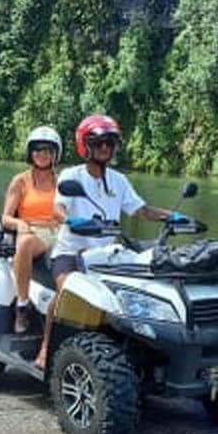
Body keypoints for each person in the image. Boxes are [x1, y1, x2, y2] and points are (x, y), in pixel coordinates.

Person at [34, 114, 173, 368]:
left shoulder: (119, 181)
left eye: (110, 143)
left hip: (107, 257)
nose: (105, 148)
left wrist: (172, 216)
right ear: (85, 145)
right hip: (70, 254)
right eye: (99, 143)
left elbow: (141, 210)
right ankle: (45, 347)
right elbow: (58, 209)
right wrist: (71, 221)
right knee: (66, 292)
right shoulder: (71, 176)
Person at [0, 126, 63, 333]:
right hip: (33, 231)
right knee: (25, 241)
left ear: (55, 154)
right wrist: (20, 224)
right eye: (37, 149)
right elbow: (5, 218)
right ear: (30, 152)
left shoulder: (62, 181)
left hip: (60, 230)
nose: (42, 154)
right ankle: (22, 305)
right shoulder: (20, 181)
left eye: (47, 150)